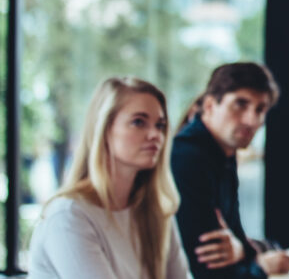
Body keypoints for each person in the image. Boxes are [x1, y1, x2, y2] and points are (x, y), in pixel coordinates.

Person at [29, 77, 189, 279]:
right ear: (103, 129)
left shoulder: (155, 211)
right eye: (138, 122)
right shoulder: (68, 216)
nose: (155, 135)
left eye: (160, 125)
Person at [171, 63, 289, 278]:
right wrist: (260, 268)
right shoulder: (188, 156)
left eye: (260, 109)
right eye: (240, 104)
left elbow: (235, 236)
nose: (252, 120)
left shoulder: (224, 153)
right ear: (210, 105)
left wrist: (243, 249)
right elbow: (208, 267)